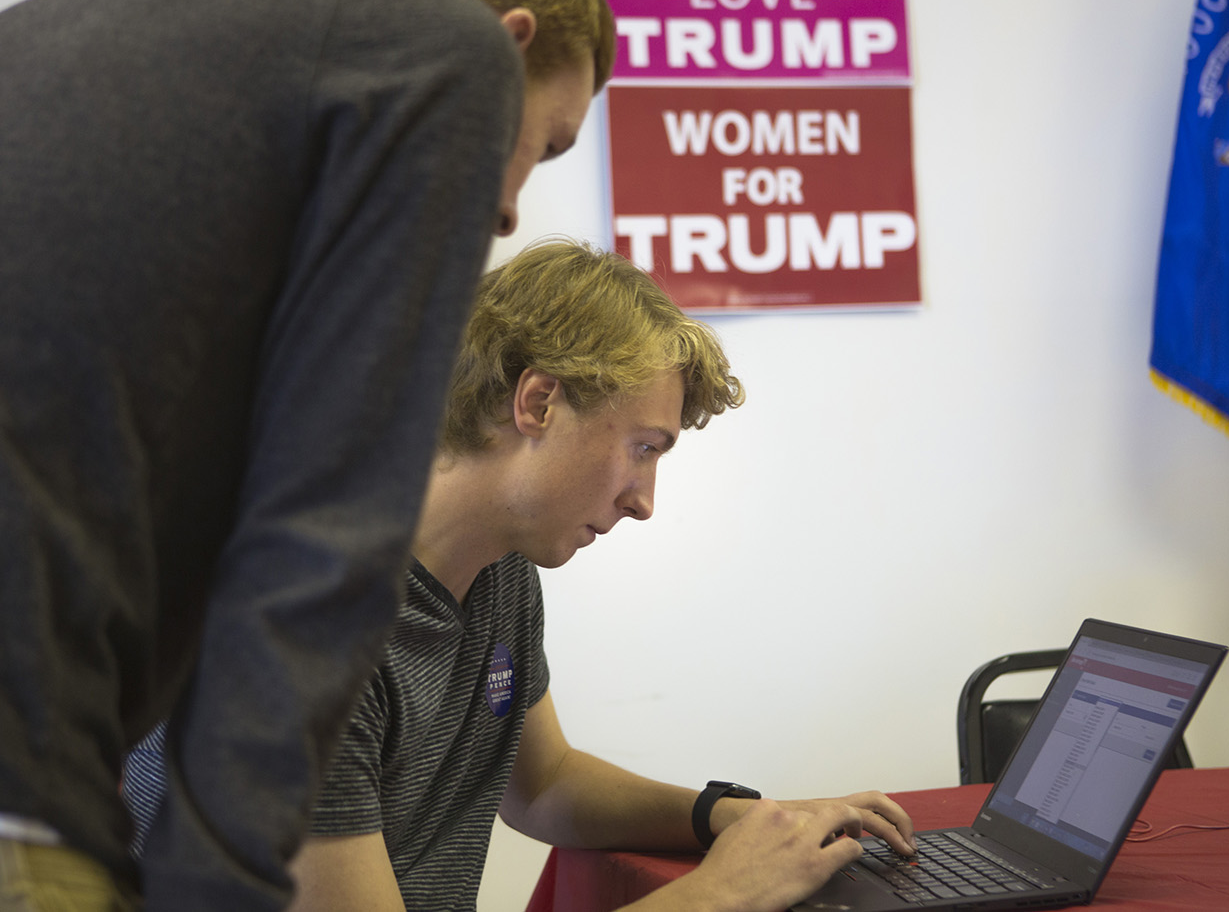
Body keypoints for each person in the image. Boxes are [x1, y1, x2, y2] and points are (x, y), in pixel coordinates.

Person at [0, 0, 610, 912]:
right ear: (503, 43)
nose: (508, 211)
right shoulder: (449, 58)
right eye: (541, 145)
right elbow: (323, 529)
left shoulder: (97, 21)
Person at [125, 239, 916, 912]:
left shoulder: (498, 568)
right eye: (642, 447)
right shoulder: (301, 629)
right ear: (538, 401)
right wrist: (718, 892)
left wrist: (736, 818)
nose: (643, 501)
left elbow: (544, 785)